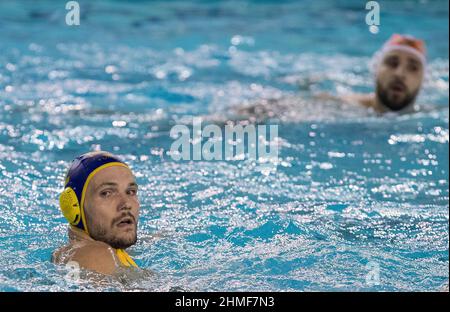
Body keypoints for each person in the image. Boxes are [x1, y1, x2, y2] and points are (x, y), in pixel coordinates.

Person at [52, 151, 140, 276]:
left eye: (131, 191)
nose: (126, 204)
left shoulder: (76, 253)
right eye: (107, 193)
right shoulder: (96, 255)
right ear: (74, 206)